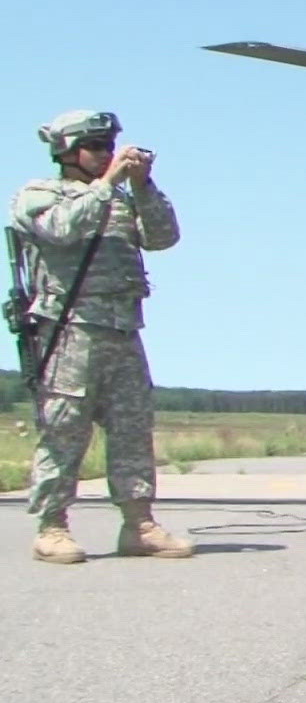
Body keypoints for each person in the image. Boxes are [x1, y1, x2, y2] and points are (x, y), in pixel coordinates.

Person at [10, 110, 190, 564]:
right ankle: (52, 527)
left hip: (123, 329)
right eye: (95, 147)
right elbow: (63, 229)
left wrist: (144, 186)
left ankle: (139, 524)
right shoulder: (42, 195)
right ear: (67, 153)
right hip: (69, 331)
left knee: (132, 429)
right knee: (65, 431)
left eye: (109, 147)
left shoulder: (122, 198)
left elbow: (164, 237)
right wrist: (108, 183)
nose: (106, 155)